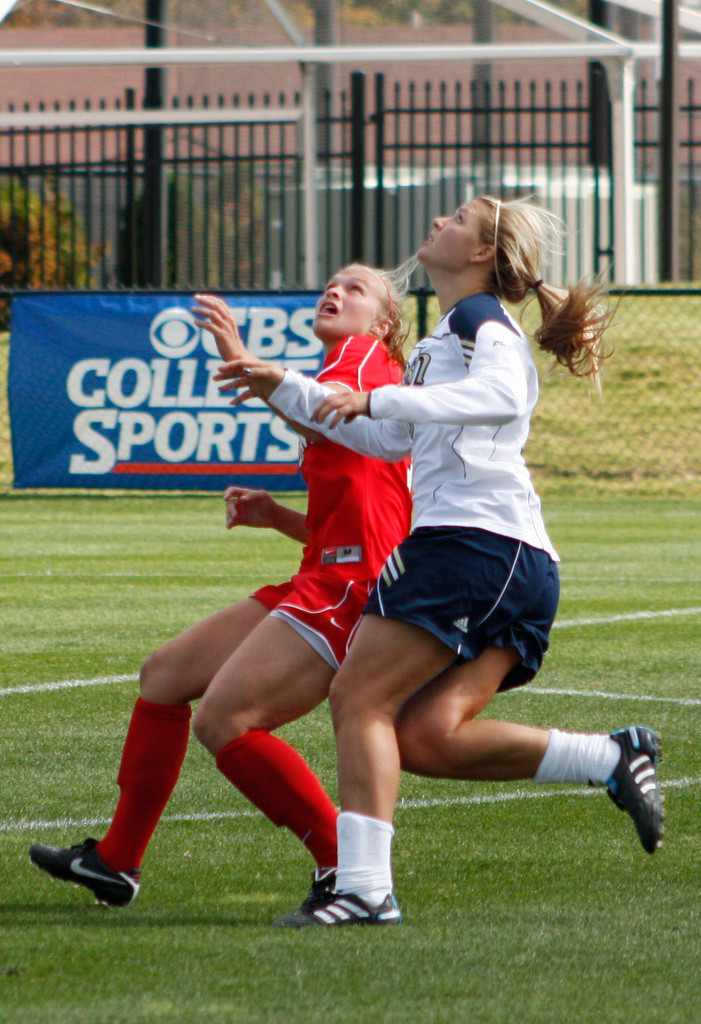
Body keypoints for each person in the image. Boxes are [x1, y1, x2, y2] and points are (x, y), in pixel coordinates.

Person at [217, 195, 664, 928]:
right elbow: (388, 439)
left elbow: (503, 393)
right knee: (423, 737)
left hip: (473, 546)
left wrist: (375, 398)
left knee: (359, 698)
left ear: (483, 252)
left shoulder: (478, 317)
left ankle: (365, 891)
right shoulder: (442, 337)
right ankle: (608, 758)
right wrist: (285, 387)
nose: (438, 222)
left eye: (456, 218)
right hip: (509, 559)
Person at [28, 264, 413, 913]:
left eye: (355, 288)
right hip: (325, 573)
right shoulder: (349, 371)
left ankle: (344, 865)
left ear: (384, 321)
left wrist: (239, 354)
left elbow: (321, 413)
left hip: (352, 586)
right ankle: (115, 861)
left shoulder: (365, 357)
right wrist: (278, 516)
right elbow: (353, 494)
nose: (335, 291)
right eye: (332, 282)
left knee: (225, 719)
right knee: (165, 674)